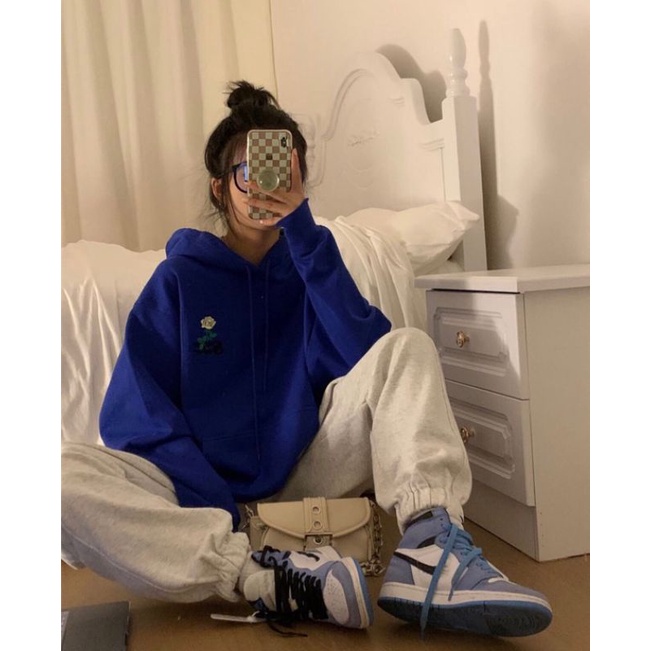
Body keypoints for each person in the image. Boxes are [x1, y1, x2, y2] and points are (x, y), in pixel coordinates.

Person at [61, 81, 553, 638]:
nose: (263, 184)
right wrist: (218, 507)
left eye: (279, 169)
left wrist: (307, 239)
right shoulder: (178, 279)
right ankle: (261, 576)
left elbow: (371, 358)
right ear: (219, 188)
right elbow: (138, 416)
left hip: (303, 471)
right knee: (57, 476)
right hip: (197, 492)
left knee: (408, 346)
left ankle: (430, 549)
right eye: (248, 170)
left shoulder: (313, 263)